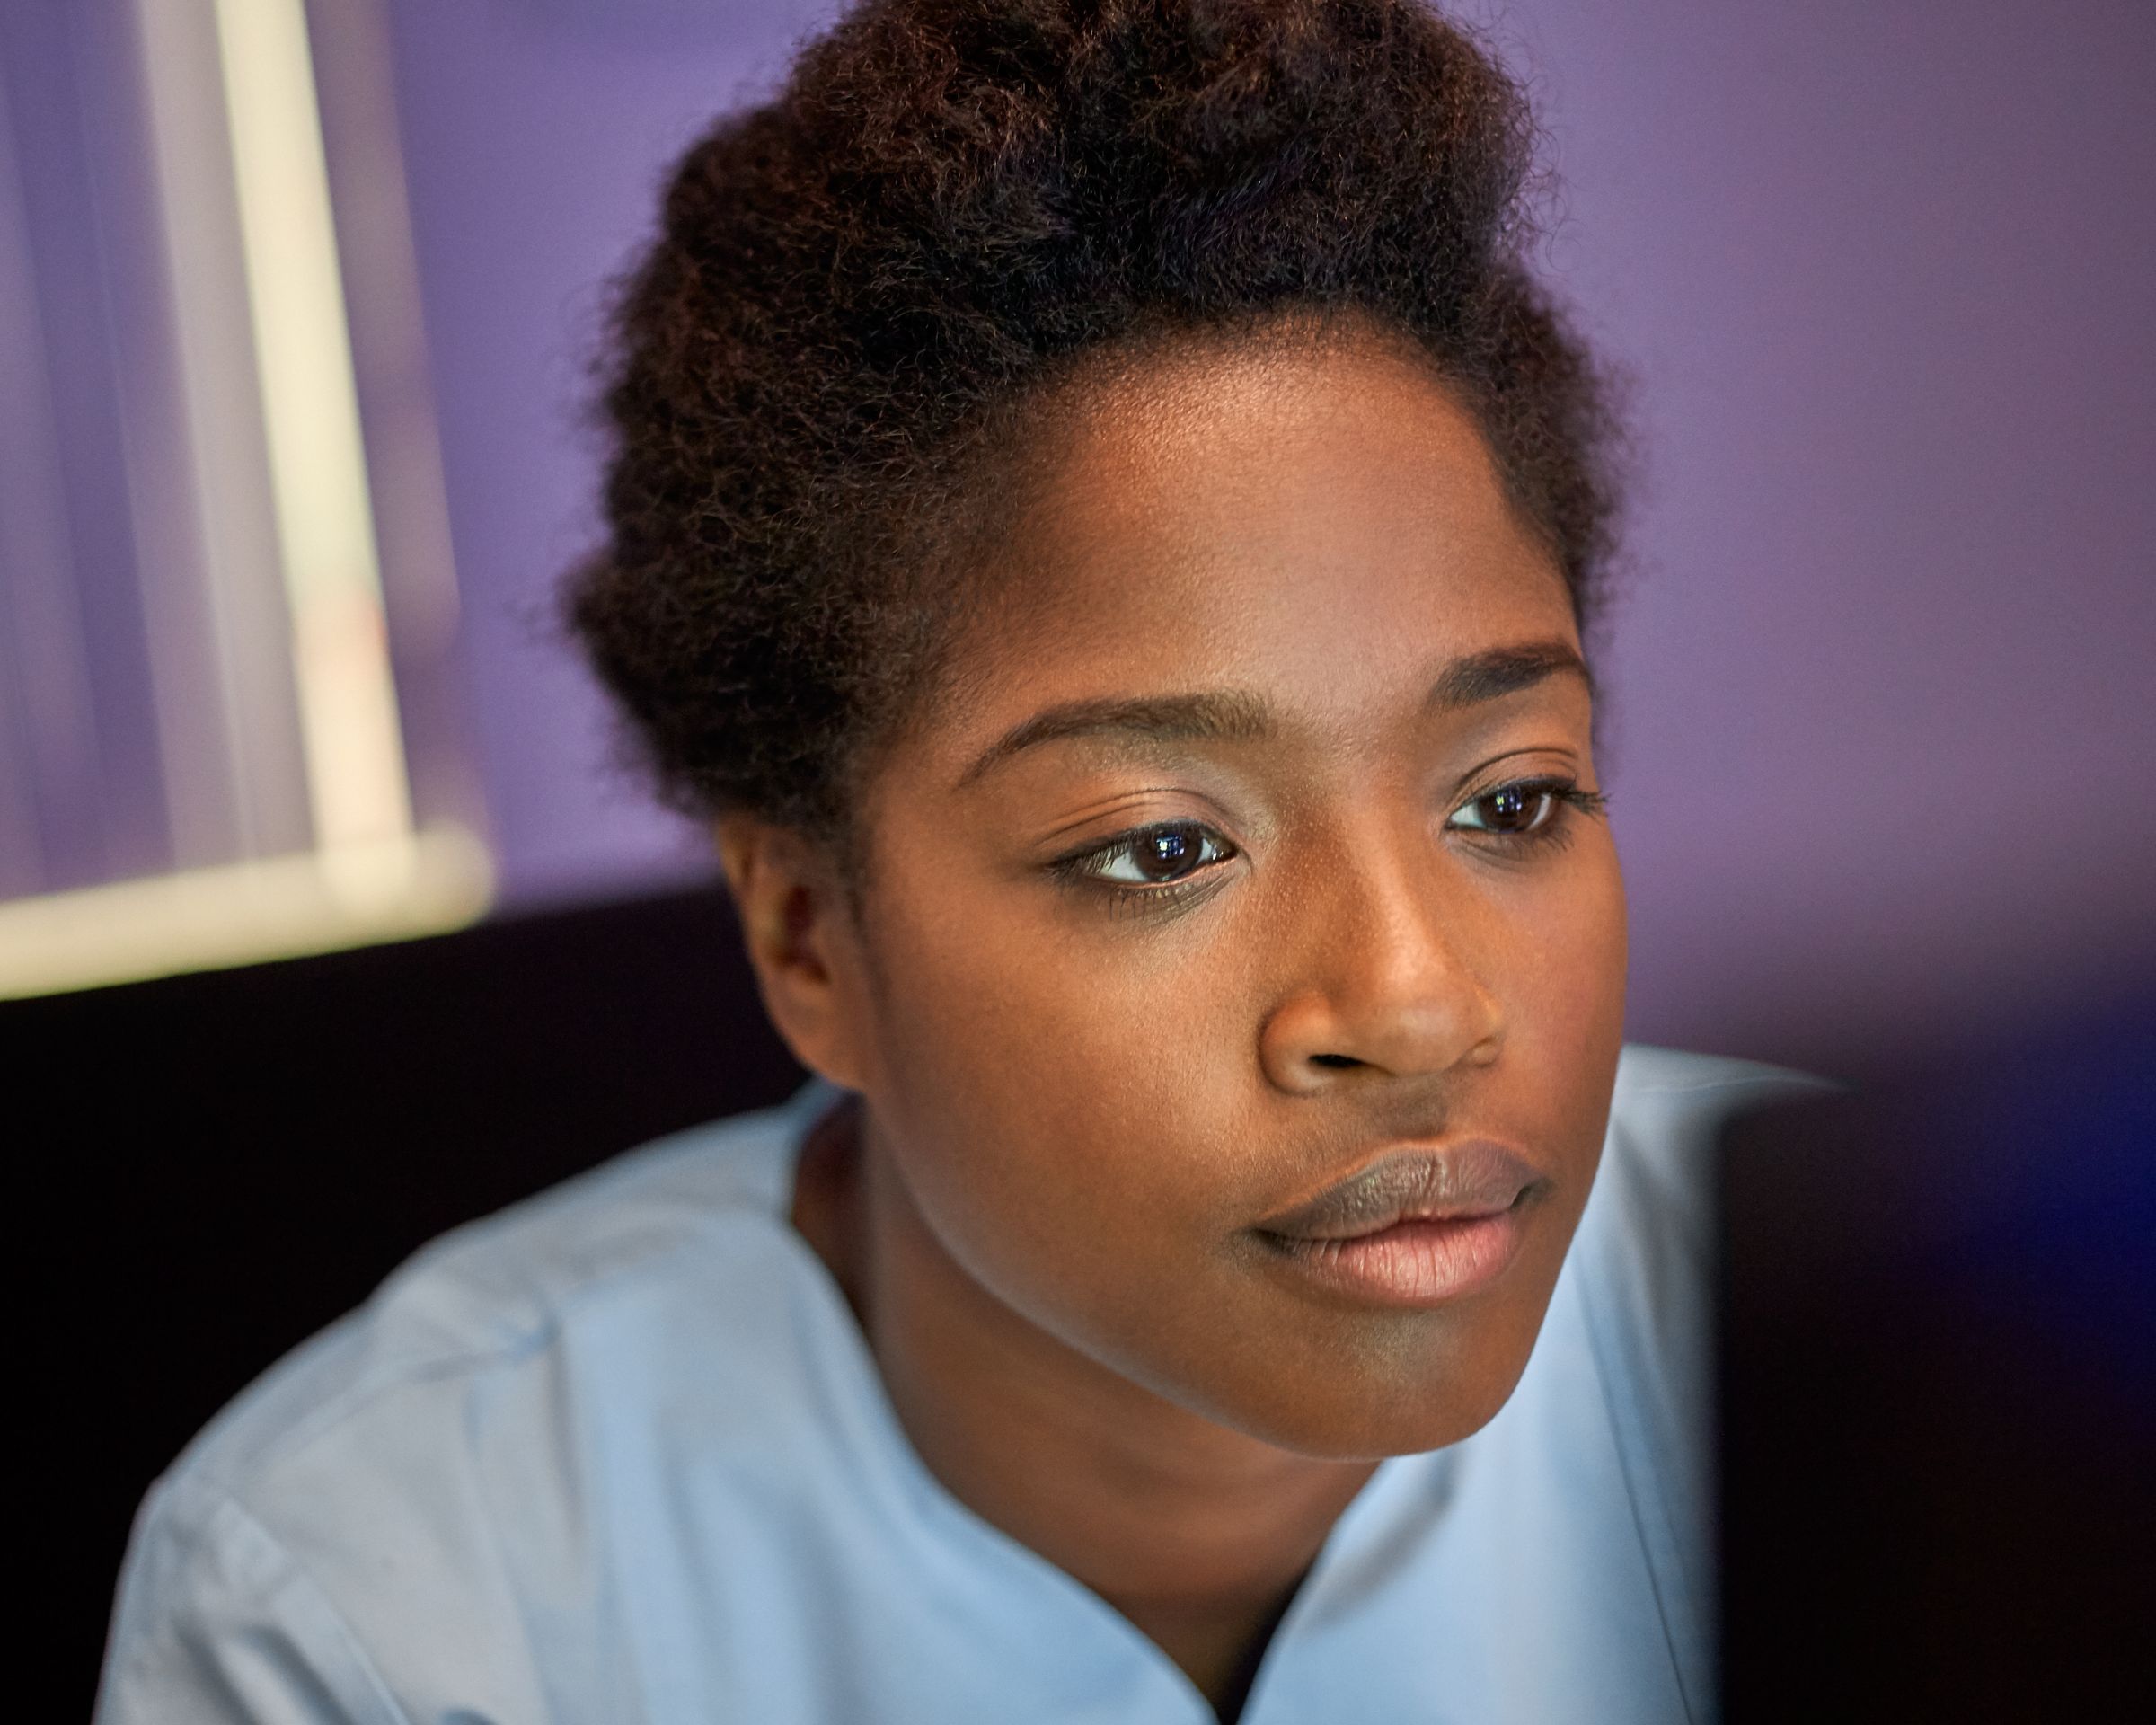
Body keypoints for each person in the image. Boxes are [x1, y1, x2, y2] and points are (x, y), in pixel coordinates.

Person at [95, 3, 1819, 1721]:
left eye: (1509, 800)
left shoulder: (1929, 1332)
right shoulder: (373, 1614)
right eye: (1162, 845)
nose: (1419, 1003)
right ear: (809, 941)